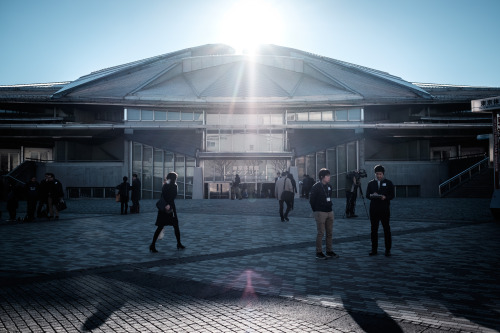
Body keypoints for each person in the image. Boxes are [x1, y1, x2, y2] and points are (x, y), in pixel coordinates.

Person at [150, 172, 185, 253]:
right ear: (174, 178)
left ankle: (153, 245)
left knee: (161, 227)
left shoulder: (165, 184)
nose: (176, 179)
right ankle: (178, 243)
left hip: (164, 208)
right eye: (175, 177)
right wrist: (168, 204)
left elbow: (164, 196)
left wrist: (166, 204)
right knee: (175, 226)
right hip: (170, 207)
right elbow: (171, 196)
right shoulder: (173, 185)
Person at [309, 168, 339, 259]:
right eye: (327, 176)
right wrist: (316, 211)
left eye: (329, 176)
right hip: (320, 212)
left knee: (329, 233)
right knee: (321, 233)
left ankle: (329, 251)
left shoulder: (329, 186)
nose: (329, 177)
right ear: (322, 177)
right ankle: (319, 252)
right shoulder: (316, 186)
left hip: (330, 211)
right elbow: (312, 200)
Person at [366, 165, 395, 257]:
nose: (379, 176)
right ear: (375, 174)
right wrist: (372, 195)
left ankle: (388, 250)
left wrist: (385, 197)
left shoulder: (389, 183)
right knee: (374, 230)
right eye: (377, 174)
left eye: (380, 174)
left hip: (384, 209)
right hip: (374, 210)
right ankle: (374, 249)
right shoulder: (371, 183)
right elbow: (367, 195)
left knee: (386, 229)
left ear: (383, 174)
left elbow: (392, 195)